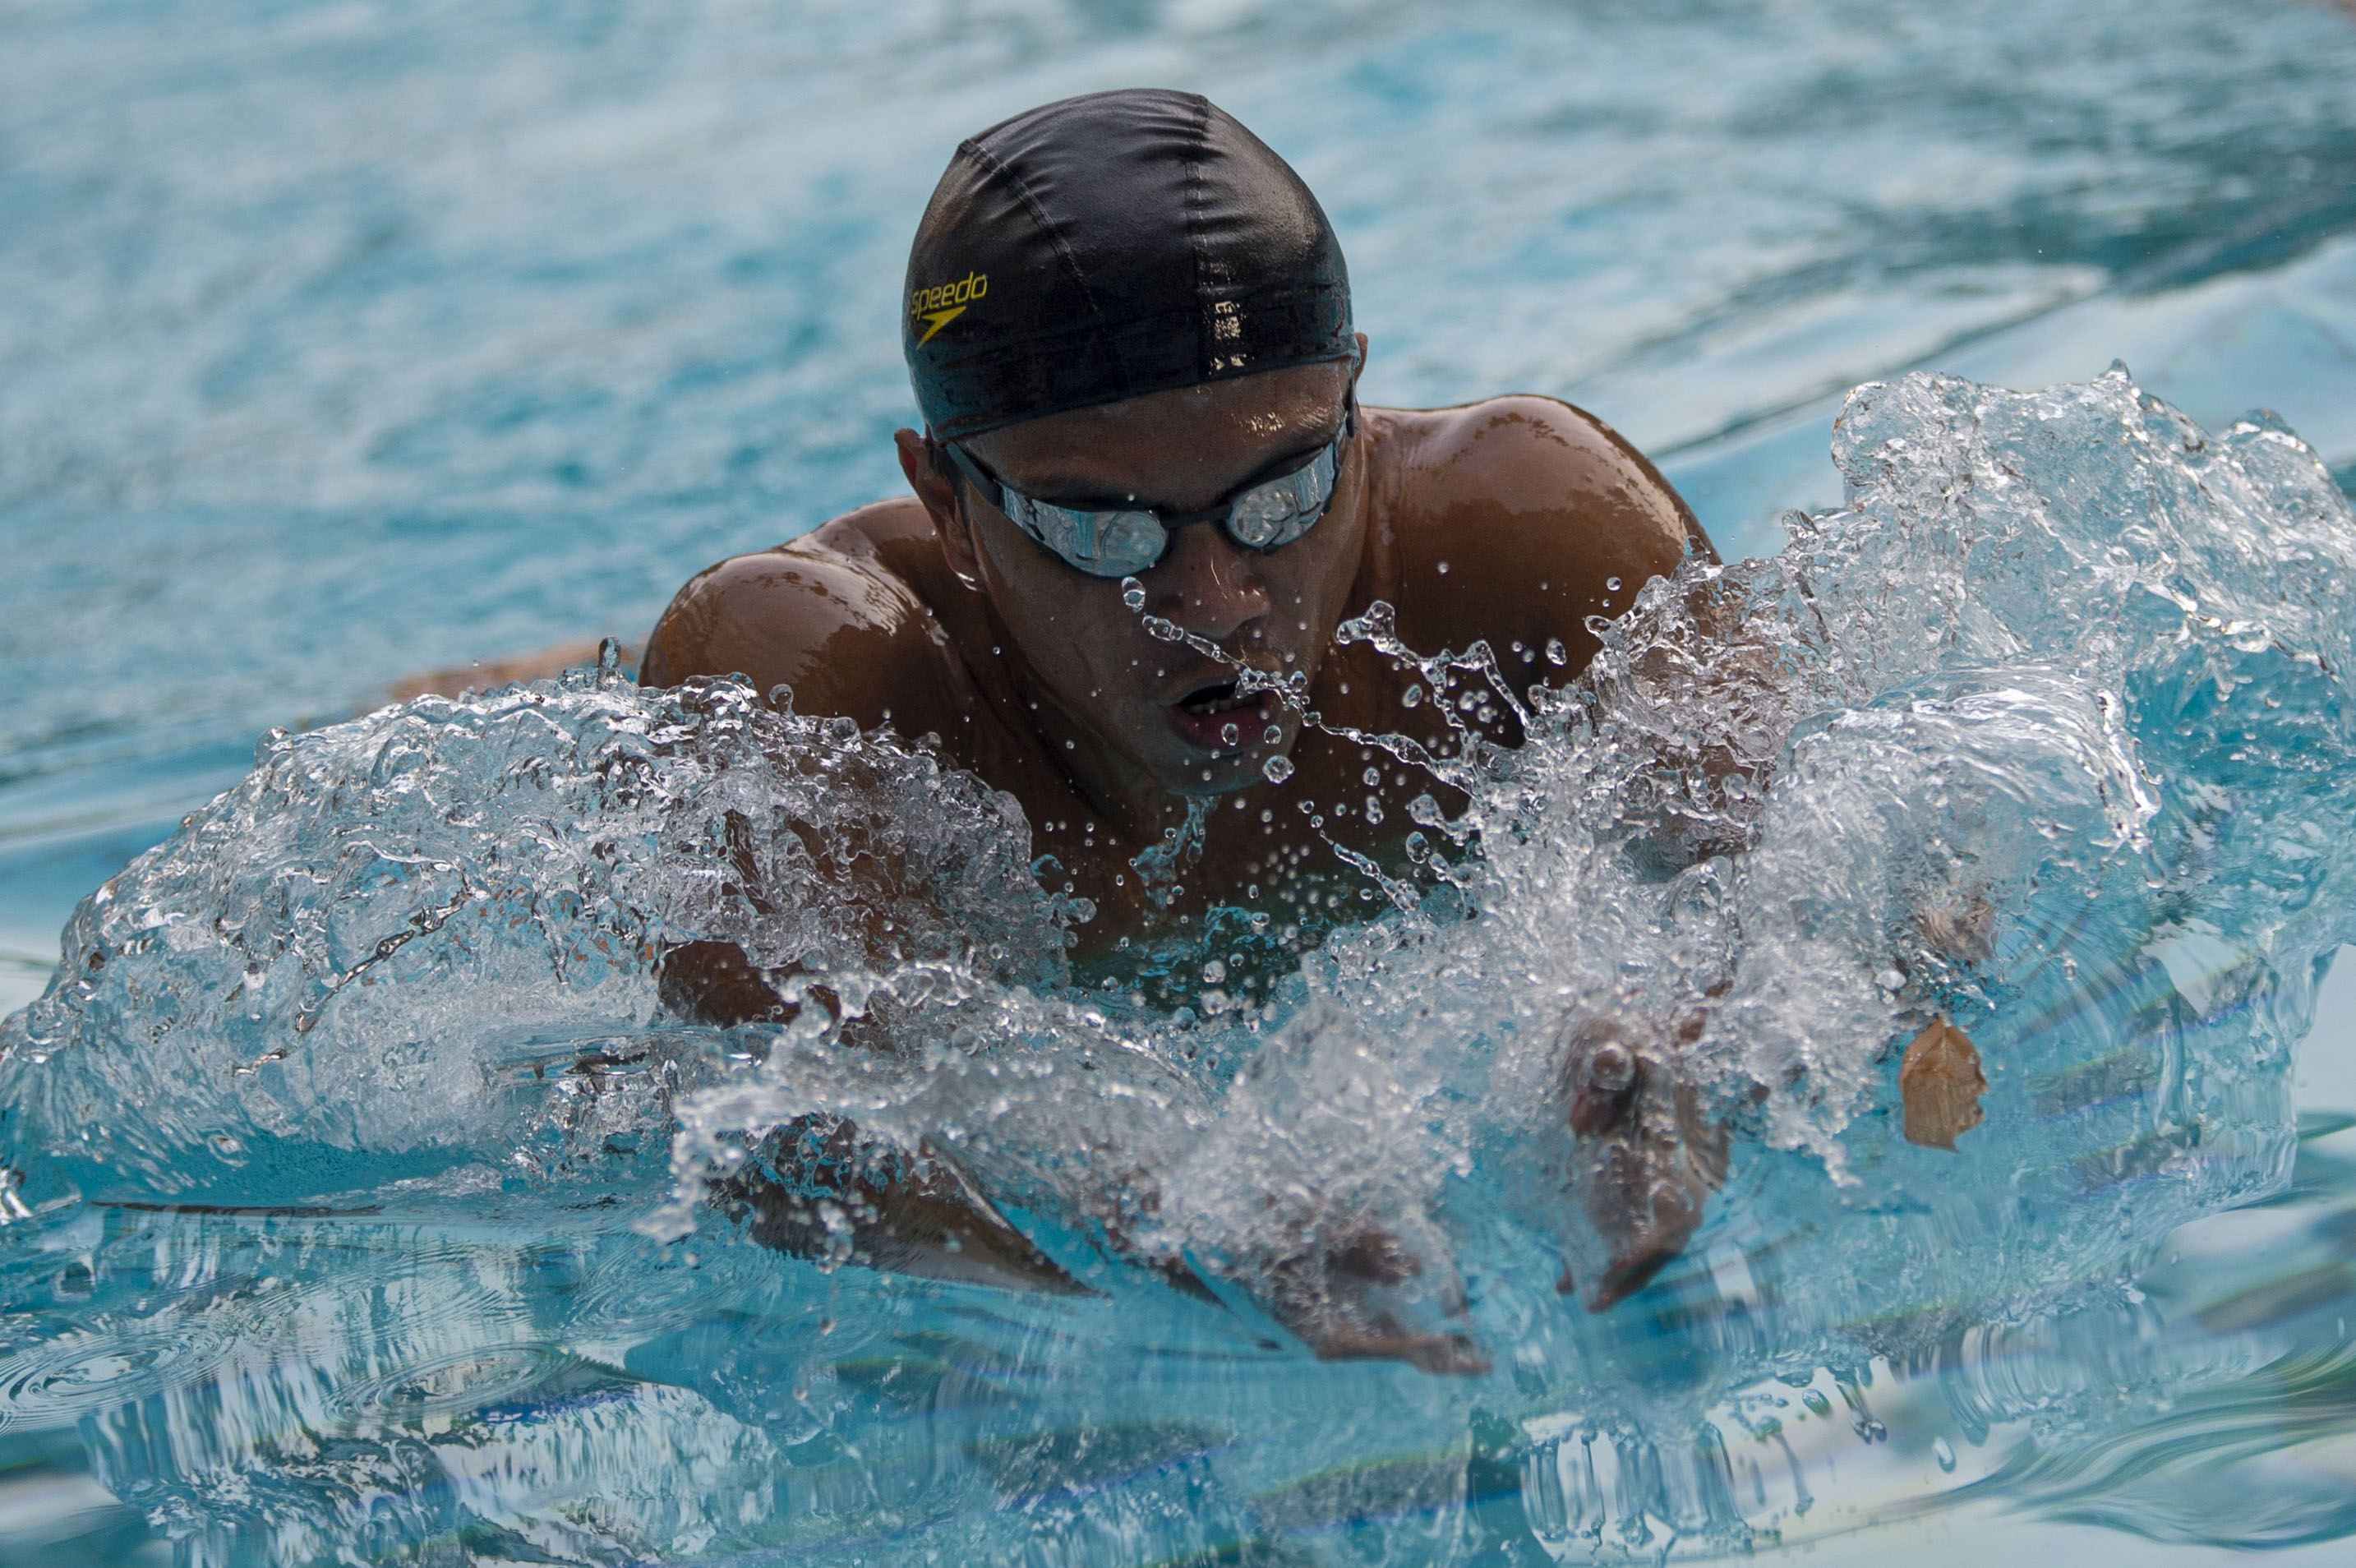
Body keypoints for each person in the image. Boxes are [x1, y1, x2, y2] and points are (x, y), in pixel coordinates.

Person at [566, 90, 1720, 1364]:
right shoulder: (816, 673)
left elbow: (1812, 875)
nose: (1212, 605)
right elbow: (795, 1133)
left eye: (1284, 494)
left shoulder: (1534, 528)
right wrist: (1173, 1209)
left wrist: (1668, 1031)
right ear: (946, 498)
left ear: (1356, 412)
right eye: (1102, 532)